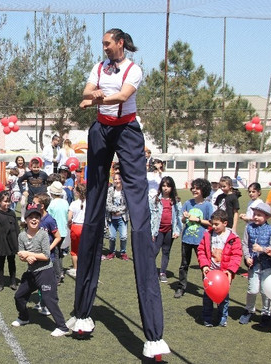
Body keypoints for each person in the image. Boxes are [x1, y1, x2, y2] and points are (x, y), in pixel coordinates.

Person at [73, 27, 168, 357]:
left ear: (121, 43)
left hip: (126, 129)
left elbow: (120, 96)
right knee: (95, 203)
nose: (104, 48)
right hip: (101, 129)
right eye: (102, 44)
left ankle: (154, 335)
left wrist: (98, 96)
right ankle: (82, 315)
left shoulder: (133, 69)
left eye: (107, 43)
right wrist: (93, 95)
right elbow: (86, 92)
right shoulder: (99, 68)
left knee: (137, 208)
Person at [11, 204, 69, 337]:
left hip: (45, 272)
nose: (34, 220)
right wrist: (26, 258)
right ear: (26, 219)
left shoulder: (43, 234)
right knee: (19, 296)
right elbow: (21, 254)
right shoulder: (22, 236)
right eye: (31, 217)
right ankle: (24, 317)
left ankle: (62, 327)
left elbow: (46, 255)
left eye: (37, 217)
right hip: (31, 272)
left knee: (49, 299)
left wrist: (30, 255)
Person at [196, 210, 242, 327]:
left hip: (224, 273)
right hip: (209, 272)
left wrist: (230, 271)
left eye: (217, 224)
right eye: (213, 224)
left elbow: (236, 256)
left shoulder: (233, 238)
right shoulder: (208, 235)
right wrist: (205, 265)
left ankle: (222, 317)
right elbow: (201, 251)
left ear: (225, 223)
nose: (214, 226)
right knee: (207, 296)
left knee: (224, 297)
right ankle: (207, 317)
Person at [238, 202, 271, 325]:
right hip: (253, 265)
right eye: (254, 214)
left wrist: (263, 249)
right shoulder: (249, 228)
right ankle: (249, 310)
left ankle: (266, 313)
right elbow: (244, 243)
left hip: (267, 266)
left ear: (266, 217)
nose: (255, 217)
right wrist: (247, 256)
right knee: (253, 290)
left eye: (259, 215)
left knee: (266, 291)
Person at [175, 178, 214, 298]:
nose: (194, 190)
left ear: (204, 190)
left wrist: (197, 219)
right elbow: (182, 220)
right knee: (184, 264)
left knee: (204, 265)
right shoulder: (188, 203)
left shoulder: (207, 205)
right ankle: (181, 287)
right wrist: (185, 217)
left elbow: (211, 223)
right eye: (193, 188)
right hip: (187, 239)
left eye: (197, 188)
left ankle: (208, 288)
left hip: (201, 241)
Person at [150, 176, 183, 283]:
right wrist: (151, 231)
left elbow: (179, 216)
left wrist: (177, 231)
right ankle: (150, 271)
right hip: (157, 230)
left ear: (172, 188)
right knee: (154, 250)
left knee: (166, 251)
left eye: (168, 186)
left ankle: (162, 272)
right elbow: (150, 215)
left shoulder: (176, 201)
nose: (166, 188)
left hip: (169, 231)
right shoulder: (156, 199)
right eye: (164, 186)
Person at [0, 191, 19, 291]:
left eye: (8, 201)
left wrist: (18, 241)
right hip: (1, 243)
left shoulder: (12, 213)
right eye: (5, 201)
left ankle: (13, 282)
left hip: (12, 241)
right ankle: (1, 283)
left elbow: (17, 228)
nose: (7, 204)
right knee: (0, 262)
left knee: (12, 262)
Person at [103, 173, 129, 261]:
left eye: (119, 179)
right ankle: (111, 252)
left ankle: (123, 252)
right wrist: (114, 211)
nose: (117, 181)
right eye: (115, 179)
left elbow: (126, 205)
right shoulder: (110, 190)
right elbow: (107, 204)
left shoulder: (125, 191)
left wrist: (119, 211)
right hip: (112, 218)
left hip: (122, 218)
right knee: (112, 237)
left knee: (123, 236)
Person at [48, 182, 69, 283]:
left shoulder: (52, 204)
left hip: (55, 232)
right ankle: (60, 272)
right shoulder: (65, 202)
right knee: (59, 253)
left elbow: (49, 217)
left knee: (55, 254)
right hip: (64, 231)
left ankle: (57, 275)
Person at [67, 184, 86, 278]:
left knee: (74, 250)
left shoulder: (73, 204)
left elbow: (69, 218)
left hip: (75, 226)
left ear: (77, 193)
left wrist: (69, 225)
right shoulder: (89, 203)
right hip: (85, 227)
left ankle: (75, 268)